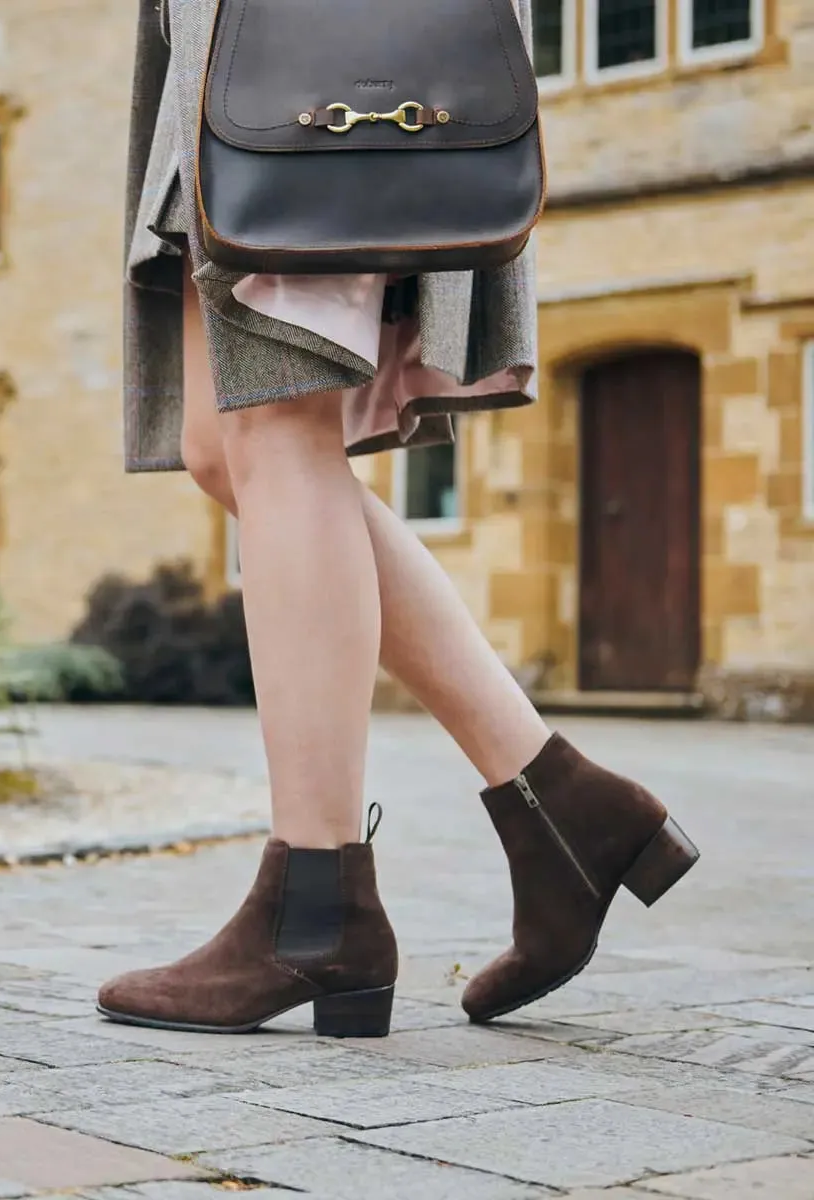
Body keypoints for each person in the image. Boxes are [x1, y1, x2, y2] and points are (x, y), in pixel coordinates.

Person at [98, 0, 699, 1037]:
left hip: (326, 54)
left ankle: (316, 900)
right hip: (235, 43)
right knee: (223, 441)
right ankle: (567, 808)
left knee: (279, 423)